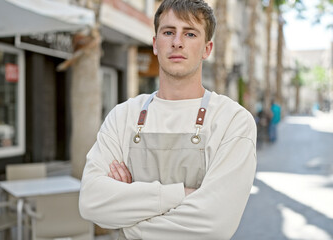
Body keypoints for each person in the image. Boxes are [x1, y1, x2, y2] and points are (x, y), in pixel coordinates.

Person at [79, 0, 257, 239]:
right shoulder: (123, 116)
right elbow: (91, 201)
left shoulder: (232, 120)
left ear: (207, 48)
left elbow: (214, 224)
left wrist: (130, 223)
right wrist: (183, 194)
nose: (177, 42)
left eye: (190, 33)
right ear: (155, 44)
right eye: (168, 32)